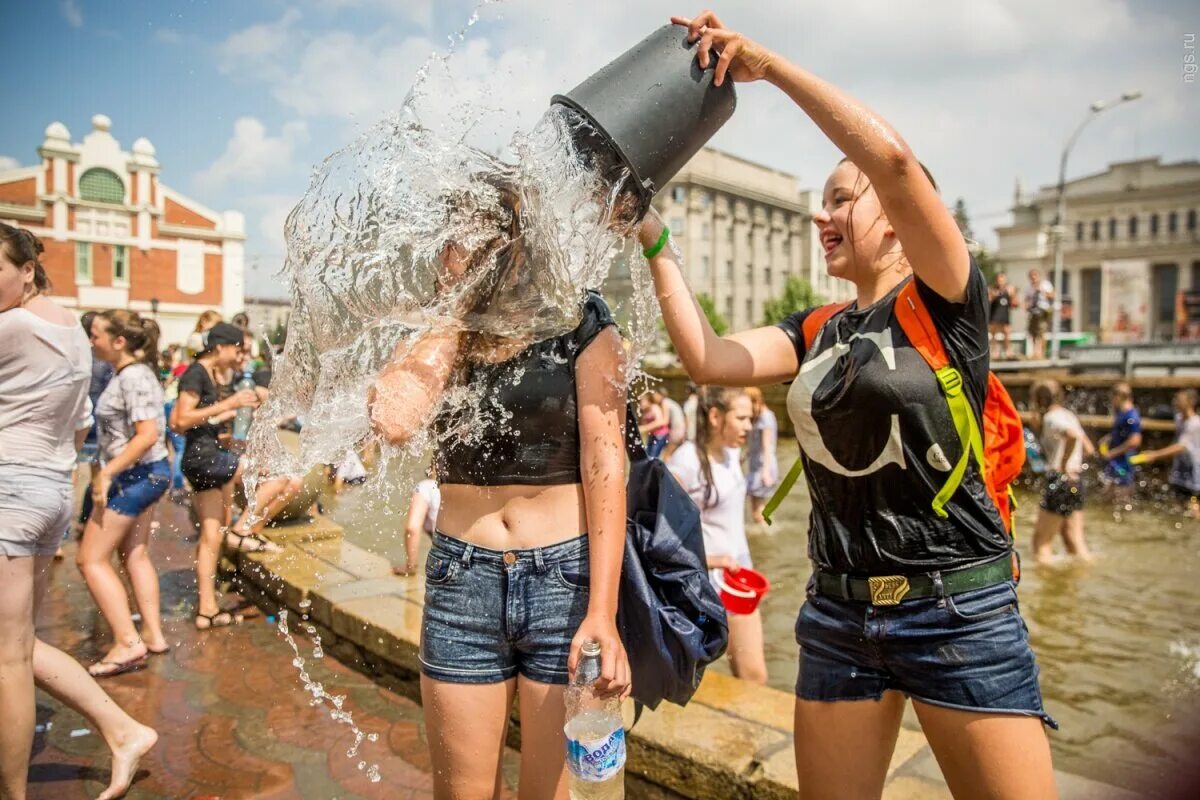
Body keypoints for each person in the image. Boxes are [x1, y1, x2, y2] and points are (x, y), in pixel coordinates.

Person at [646, 13, 1059, 798]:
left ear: (897, 221)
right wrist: (655, 237)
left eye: (842, 200)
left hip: (958, 611)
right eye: (823, 201)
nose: (820, 216)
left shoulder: (944, 301)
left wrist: (770, 70)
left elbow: (896, 163)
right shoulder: (815, 329)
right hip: (839, 614)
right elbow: (708, 358)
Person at [368, 174, 632, 797]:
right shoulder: (443, 331)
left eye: (473, 232)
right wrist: (455, 308)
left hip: (564, 584)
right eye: (450, 234)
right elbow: (395, 421)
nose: (453, 247)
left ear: (515, 241)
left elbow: (606, 466)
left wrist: (603, 611)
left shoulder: (581, 318)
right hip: (464, 582)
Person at [0, 223, 157, 800]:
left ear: (26, 270)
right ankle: (123, 729)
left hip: (9, 491)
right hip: (45, 490)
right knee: (16, 646)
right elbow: (81, 425)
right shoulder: (68, 327)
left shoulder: (12, 326)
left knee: (7, 660)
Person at [170, 322, 295, 630]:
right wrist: (231, 404)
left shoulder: (208, 375)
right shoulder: (196, 373)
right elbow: (179, 420)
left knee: (211, 537)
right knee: (278, 476)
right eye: (237, 350)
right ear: (221, 347)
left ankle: (207, 609)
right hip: (204, 460)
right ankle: (242, 532)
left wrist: (223, 421)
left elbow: (200, 421)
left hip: (206, 456)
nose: (240, 356)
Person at [77, 310, 172, 677]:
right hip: (145, 474)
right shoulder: (134, 374)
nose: (91, 341)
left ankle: (128, 643)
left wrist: (106, 475)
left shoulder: (133, 377)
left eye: (96, 334)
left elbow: (147, 434)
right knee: (135, 554)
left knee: (90, 559)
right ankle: (152, 634)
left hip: (137, 476)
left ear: (119, 341)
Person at [666, 386, 767, 684]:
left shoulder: (732, 454)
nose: (749, 427)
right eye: (742, 418)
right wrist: (713, 560)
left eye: (752, 419)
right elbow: (660, 538)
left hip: (737, 581)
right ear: (714, 416)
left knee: (753, 675)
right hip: (701, 586)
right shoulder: (685, 462)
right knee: (688, 676)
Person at [1030, 379, 1094, 565]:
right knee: (1074, 542)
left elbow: (1072, 436)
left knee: (1040, 543)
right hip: (1076, 480)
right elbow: (1088, 449)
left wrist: (1063, 464)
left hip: (1060, 480)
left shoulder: (1051, 418)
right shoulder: (1068, 415)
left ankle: (1045, 590)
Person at [1134, 389, 1200, 519]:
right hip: (1180, 473)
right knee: (1179, 506)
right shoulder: (1180, 418)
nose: (1176, 402)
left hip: (1195, 475)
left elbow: (1180, 447)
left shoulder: (1195, 424)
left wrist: (1155, 455)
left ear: (1191, 402)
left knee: (1194, 508)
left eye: (1180, 400)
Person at [1098, 382, 1142, 507]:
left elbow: (1135, 440)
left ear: (1119, 396)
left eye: (1112, 397)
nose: (1111, 401)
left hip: (1124, 463)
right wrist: (1108, 438)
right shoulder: (1122, 413)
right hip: (1116, 461)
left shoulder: (1131, 416)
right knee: (1108, 495)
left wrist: (1113, 453)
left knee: (1122, 498)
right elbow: (1122, 433)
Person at [393, 466, 441, 577]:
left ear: (431, 468)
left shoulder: (427, 486)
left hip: (450, 550)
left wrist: (411, 566)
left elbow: (412, 528)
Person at [744, 386, 779, 525]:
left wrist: (765, 472)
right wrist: (744, 456)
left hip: (763, 467)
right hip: (757, 466)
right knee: (757, 509)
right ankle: (767, 531)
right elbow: (755, 444)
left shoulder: (766, 418)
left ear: (755, 401)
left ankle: (766, 533)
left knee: (757, 511)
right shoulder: (759, 417)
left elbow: (767, 446)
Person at [1024, 269, 1054, 360]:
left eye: (1035, 275)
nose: (1033, 278)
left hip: (1043, 311)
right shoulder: (1028, 288)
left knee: (1041, 333)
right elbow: (1026, 300)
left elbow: (1053, 295)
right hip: (1033, 312)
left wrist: (1042, 291)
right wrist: (1026, 305)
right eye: (1031, 276)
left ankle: (1041, 353)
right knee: (1033, 333)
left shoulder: (1045, 284)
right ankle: (1035, 352)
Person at [987, 272, 1017, 360]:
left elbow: (1014, 304)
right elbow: (988, 300)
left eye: (1002, 279)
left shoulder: (1009, 290)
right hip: (994, 315)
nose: (1000, 281)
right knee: (993, 335)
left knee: (1007, 334)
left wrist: (1013, 295)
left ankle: (1008, 352)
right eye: (999, 279)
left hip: (1005, 315)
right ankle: (994, 352)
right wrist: (994, 295)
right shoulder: (992, 289)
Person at [638, 390, 669, 458]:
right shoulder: (645, 411)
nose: (640, 404)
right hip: (652, 435)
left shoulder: (654, 408)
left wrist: (645, 428)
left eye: (642, 402)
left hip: (660, 435)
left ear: (648, 401)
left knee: (653, 457)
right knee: (648, 455)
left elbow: (659, 422)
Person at [661, 387, 688, 459]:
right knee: (676, 453)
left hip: (676, 429)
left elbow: (665, 420)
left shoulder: (665, 402)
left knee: (668, 453)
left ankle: (665, 469)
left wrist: (645, 427)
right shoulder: (671, 401)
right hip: (682, 429)